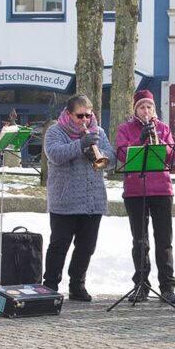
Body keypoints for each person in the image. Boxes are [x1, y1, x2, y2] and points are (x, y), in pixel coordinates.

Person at [42, 94, 114, 301]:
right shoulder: (55, 131)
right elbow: (54, 154)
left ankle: (77, 284)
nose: (84, 120)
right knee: (59, 244)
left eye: (88, 116)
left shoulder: (98, 131)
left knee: (86, 246)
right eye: (80, 116)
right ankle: (51, 284)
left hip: (93, 200)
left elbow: (111, 155)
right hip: (65, 200)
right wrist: (81, 145)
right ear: (69, 113)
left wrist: (98, 153)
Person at [114, 89, 175, 304]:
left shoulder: (163, 128)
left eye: (149, 107)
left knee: (164, 241)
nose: (146, 110)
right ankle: (141, 284)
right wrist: (139, 141)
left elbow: (172, 157)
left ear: (154, 109)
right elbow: (123, 155)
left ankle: (167, 286)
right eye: (142, 107)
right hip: (135, 191)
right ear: (135, 110)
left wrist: (158, 140)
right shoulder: (125, 129)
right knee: (140, 241)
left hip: (161, 190)